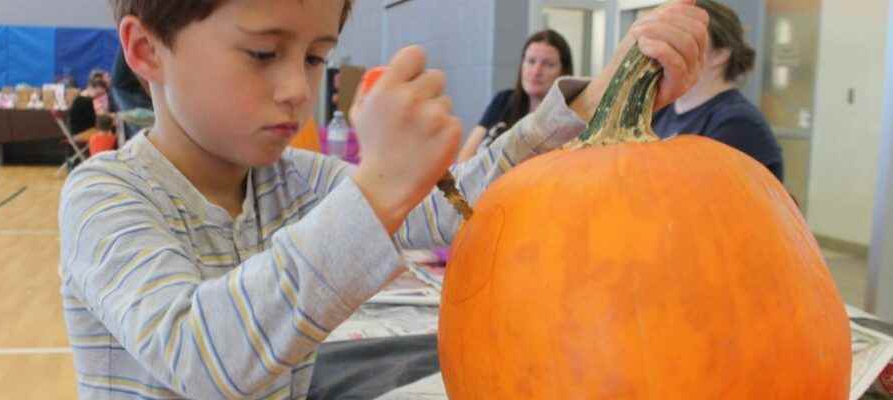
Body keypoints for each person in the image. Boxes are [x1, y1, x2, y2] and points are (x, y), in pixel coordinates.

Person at [58, 0, 708, 398]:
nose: (296, 89)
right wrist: (377, 187)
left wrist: (590, 106)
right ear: (147, 51)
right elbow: (202, 359)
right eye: (262, 54)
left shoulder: (299, 179)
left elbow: (442, 209)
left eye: (315, 58)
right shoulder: (105, 193)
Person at [652, 0, 783, 180]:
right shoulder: (661, 112)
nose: (666, 50)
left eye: (685, 41)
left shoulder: (738, 124)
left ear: (720, 54)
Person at [457, 29, 574, 163]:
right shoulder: (503, 100)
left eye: (548, 64)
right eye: (531, 61)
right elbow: (465, 157)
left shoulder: (566, 122)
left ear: (563, 71)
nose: (536, 71)